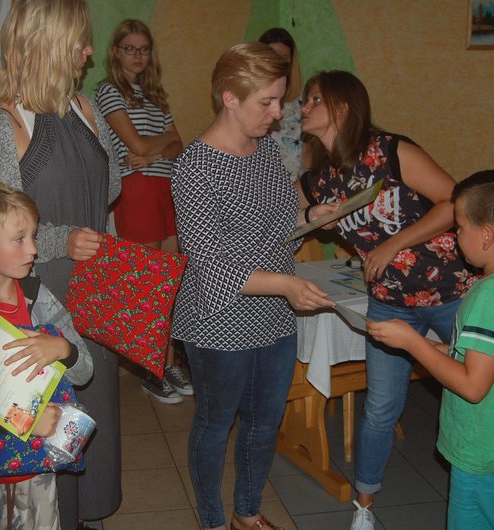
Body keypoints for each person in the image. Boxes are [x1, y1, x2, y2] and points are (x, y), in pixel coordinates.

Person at [0, 2, 122, 529]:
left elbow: (110, 190)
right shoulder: (3, 127)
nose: (90, 51)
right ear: (47, 43)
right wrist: (60, 237)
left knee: (92, 414)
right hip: (42, 300)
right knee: (46, 425)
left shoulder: (86, 109)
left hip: (94, 294)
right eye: (79, 41)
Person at [296, 70, 475, 530]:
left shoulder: (391, 151)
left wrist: (394, 244)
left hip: (448, 291)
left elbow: (453, 201)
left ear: (343, 106)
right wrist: (308, 215)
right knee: (380, 406)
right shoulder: (317, 179)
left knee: (481, 390)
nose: (303, 107)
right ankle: (364, 506)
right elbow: (285, 219)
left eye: (314, 99)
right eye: (304, 100)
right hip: (389, 301)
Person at [172, 42, 336, 530]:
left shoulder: (265, 151)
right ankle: (212, 520)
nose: (278, 112)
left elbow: (279, 223)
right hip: (218, 320)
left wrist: (312, 215)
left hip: (274, 315)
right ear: (230, 98)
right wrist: (286, 285)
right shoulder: (195, 166)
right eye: (267, 101)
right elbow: (211, 264)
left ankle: (246, 513)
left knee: (265, 423)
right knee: (215, 423)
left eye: (280, 99)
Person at [368, 169, 494, 530]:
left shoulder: (489, 294)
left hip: (491, 453)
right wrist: (434, 346)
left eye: (459, 228)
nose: (455, 236)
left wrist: (412, 342)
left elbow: (473, 386)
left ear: (486, 236)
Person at [0, 182, 94, 530]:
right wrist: (26, 421)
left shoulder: (37, 297)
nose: (33, 248)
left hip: (37, 472)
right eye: (19, 239)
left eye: (33, 236)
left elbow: (84, 371)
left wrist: (62, 349)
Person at [96, 19, 192, 405]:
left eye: (144, 49)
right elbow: (134, 144)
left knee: (168, 283)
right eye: (130, 48)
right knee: (148, 284)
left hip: (165, 188)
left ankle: (166, 362)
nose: (137, 55)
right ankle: (152, 370)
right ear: (116, 52)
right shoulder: (108, 91)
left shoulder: (155, 96)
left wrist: (157, 148)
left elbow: (178, 146)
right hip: (135, 190)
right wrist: (161, 142)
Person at [258, 27, 304, 181]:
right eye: (271, 57)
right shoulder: (249, 103)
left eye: (283, 58)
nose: (277, 63)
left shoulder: (305, 104)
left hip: (297, 186)